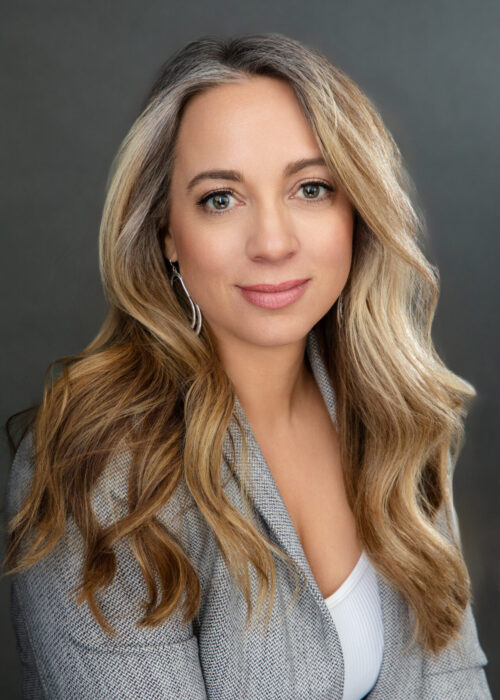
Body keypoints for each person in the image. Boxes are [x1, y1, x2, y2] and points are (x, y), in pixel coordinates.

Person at [3, 32, 492, 699]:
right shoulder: (101, 465)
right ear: (167, 232)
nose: (271, 242)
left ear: (358, 212)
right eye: (220, 199)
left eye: (311, 188)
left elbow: (453, 680)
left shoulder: (398, 420)